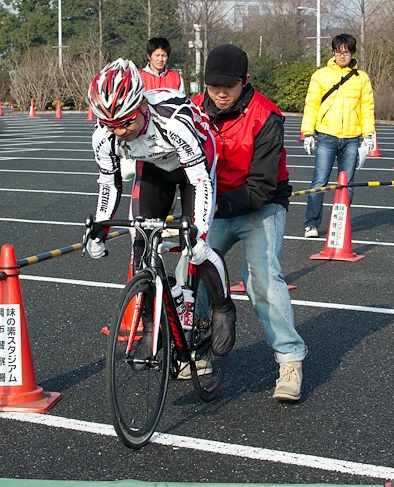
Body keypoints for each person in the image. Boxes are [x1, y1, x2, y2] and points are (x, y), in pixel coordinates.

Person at [85, 58, 236, 357]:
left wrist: (197, 230)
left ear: (141, 106)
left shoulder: (173, 120)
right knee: (140, 249)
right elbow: (109, 183)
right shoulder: (104, 137)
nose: (119, 132)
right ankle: (153, 323)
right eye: (110, 125)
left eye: (126, 122)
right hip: (154, 167)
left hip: (194, 164)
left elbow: (200, 182)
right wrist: (99, 228)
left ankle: (223, 307)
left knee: (195, 247)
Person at [193, 44, 308, 401]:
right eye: (214, 86)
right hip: (213, 204)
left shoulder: (267, 116)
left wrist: (212, 207)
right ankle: (196, 349)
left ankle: (290, 360)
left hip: (260, 205)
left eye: (229, 85)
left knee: (262, 280)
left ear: (245, 81)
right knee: (191, 269)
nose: (221, 93)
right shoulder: (192, 111)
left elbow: (260, 187)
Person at [301, 33, 375, 239]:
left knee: (347, 184)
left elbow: (367, 107)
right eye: (339, 52)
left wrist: (369, 134)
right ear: (333, 52)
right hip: (326, 135)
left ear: (352, 53)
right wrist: (308, 132)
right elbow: (311, 104)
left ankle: (340, 223)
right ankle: (311, 224)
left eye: (347, 52)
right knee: (319, 181)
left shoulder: (362, 78)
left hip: (352, 138)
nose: (342, 56)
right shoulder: (321, 75)